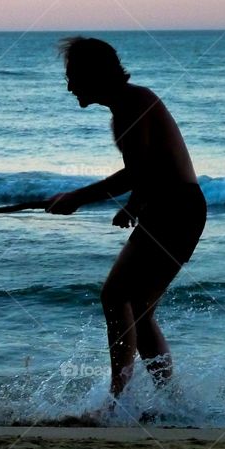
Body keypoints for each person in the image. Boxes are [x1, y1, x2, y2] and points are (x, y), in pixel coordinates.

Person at [45, 37, 206, 401]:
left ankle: (117, 401)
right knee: (139, 311)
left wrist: (78, 198)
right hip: (172, 207)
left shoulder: (133, 106)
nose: (69, 86)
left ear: (94, 74)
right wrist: (135, 205)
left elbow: (137, 172)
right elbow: (149, 169)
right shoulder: (127, 107)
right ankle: (171, 402)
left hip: (176, 209)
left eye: (73, 76)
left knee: (115, 295)